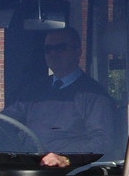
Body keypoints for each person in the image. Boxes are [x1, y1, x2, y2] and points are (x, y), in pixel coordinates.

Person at [8, 28, 119, 168]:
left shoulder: (94, 95)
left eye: (60, 48)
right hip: (25, 168)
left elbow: (103, 141)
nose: (53, 54)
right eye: (48, 49)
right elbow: (7, 121)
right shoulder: (33, 90)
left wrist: (66, 159)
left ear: (78, 52)